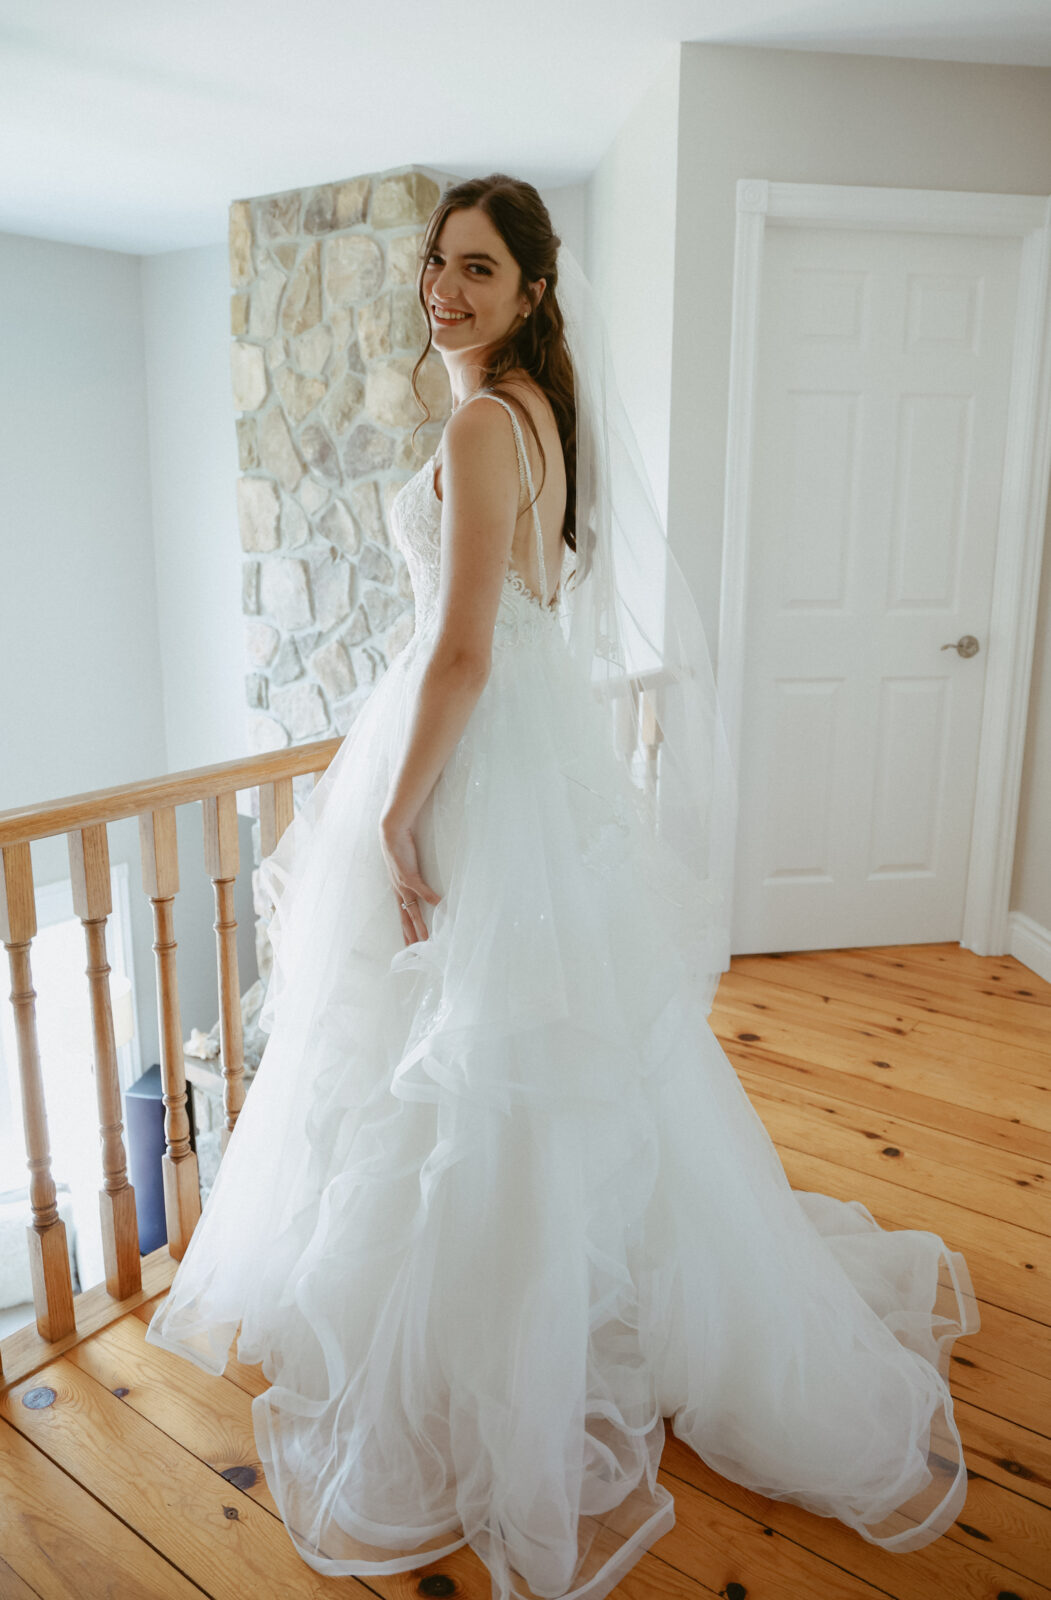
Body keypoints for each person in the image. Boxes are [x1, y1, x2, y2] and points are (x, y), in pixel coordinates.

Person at [145, 173, 981, 1600]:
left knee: (463, 1058)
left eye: (477, 269)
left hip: (474, 762)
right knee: (525, 1056)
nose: (444, 291)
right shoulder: (546, 416)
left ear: (532, 288)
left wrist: (396, 819)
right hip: (535, 756)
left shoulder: (480, 420)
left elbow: (463, 650)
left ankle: (496, 1352)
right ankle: (576, 1306)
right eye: (437, 266)